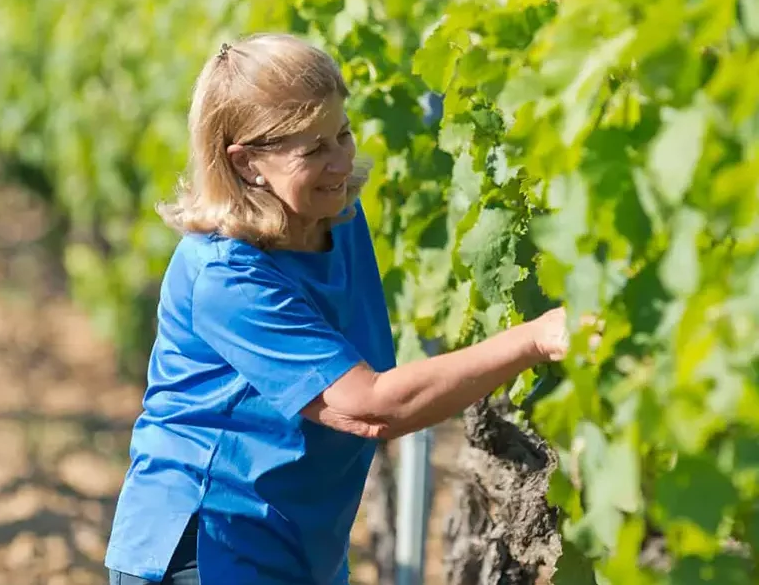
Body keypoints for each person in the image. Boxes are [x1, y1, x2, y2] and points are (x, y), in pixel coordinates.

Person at [104, 33, 572, 585]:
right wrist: (534, 338)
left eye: (343, 134)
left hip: (296, 543)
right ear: (247, 163)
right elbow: (369, 407)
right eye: (313, 149)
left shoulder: (334, 216)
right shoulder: (226, 274)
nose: (340, 161)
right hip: (209, 544)